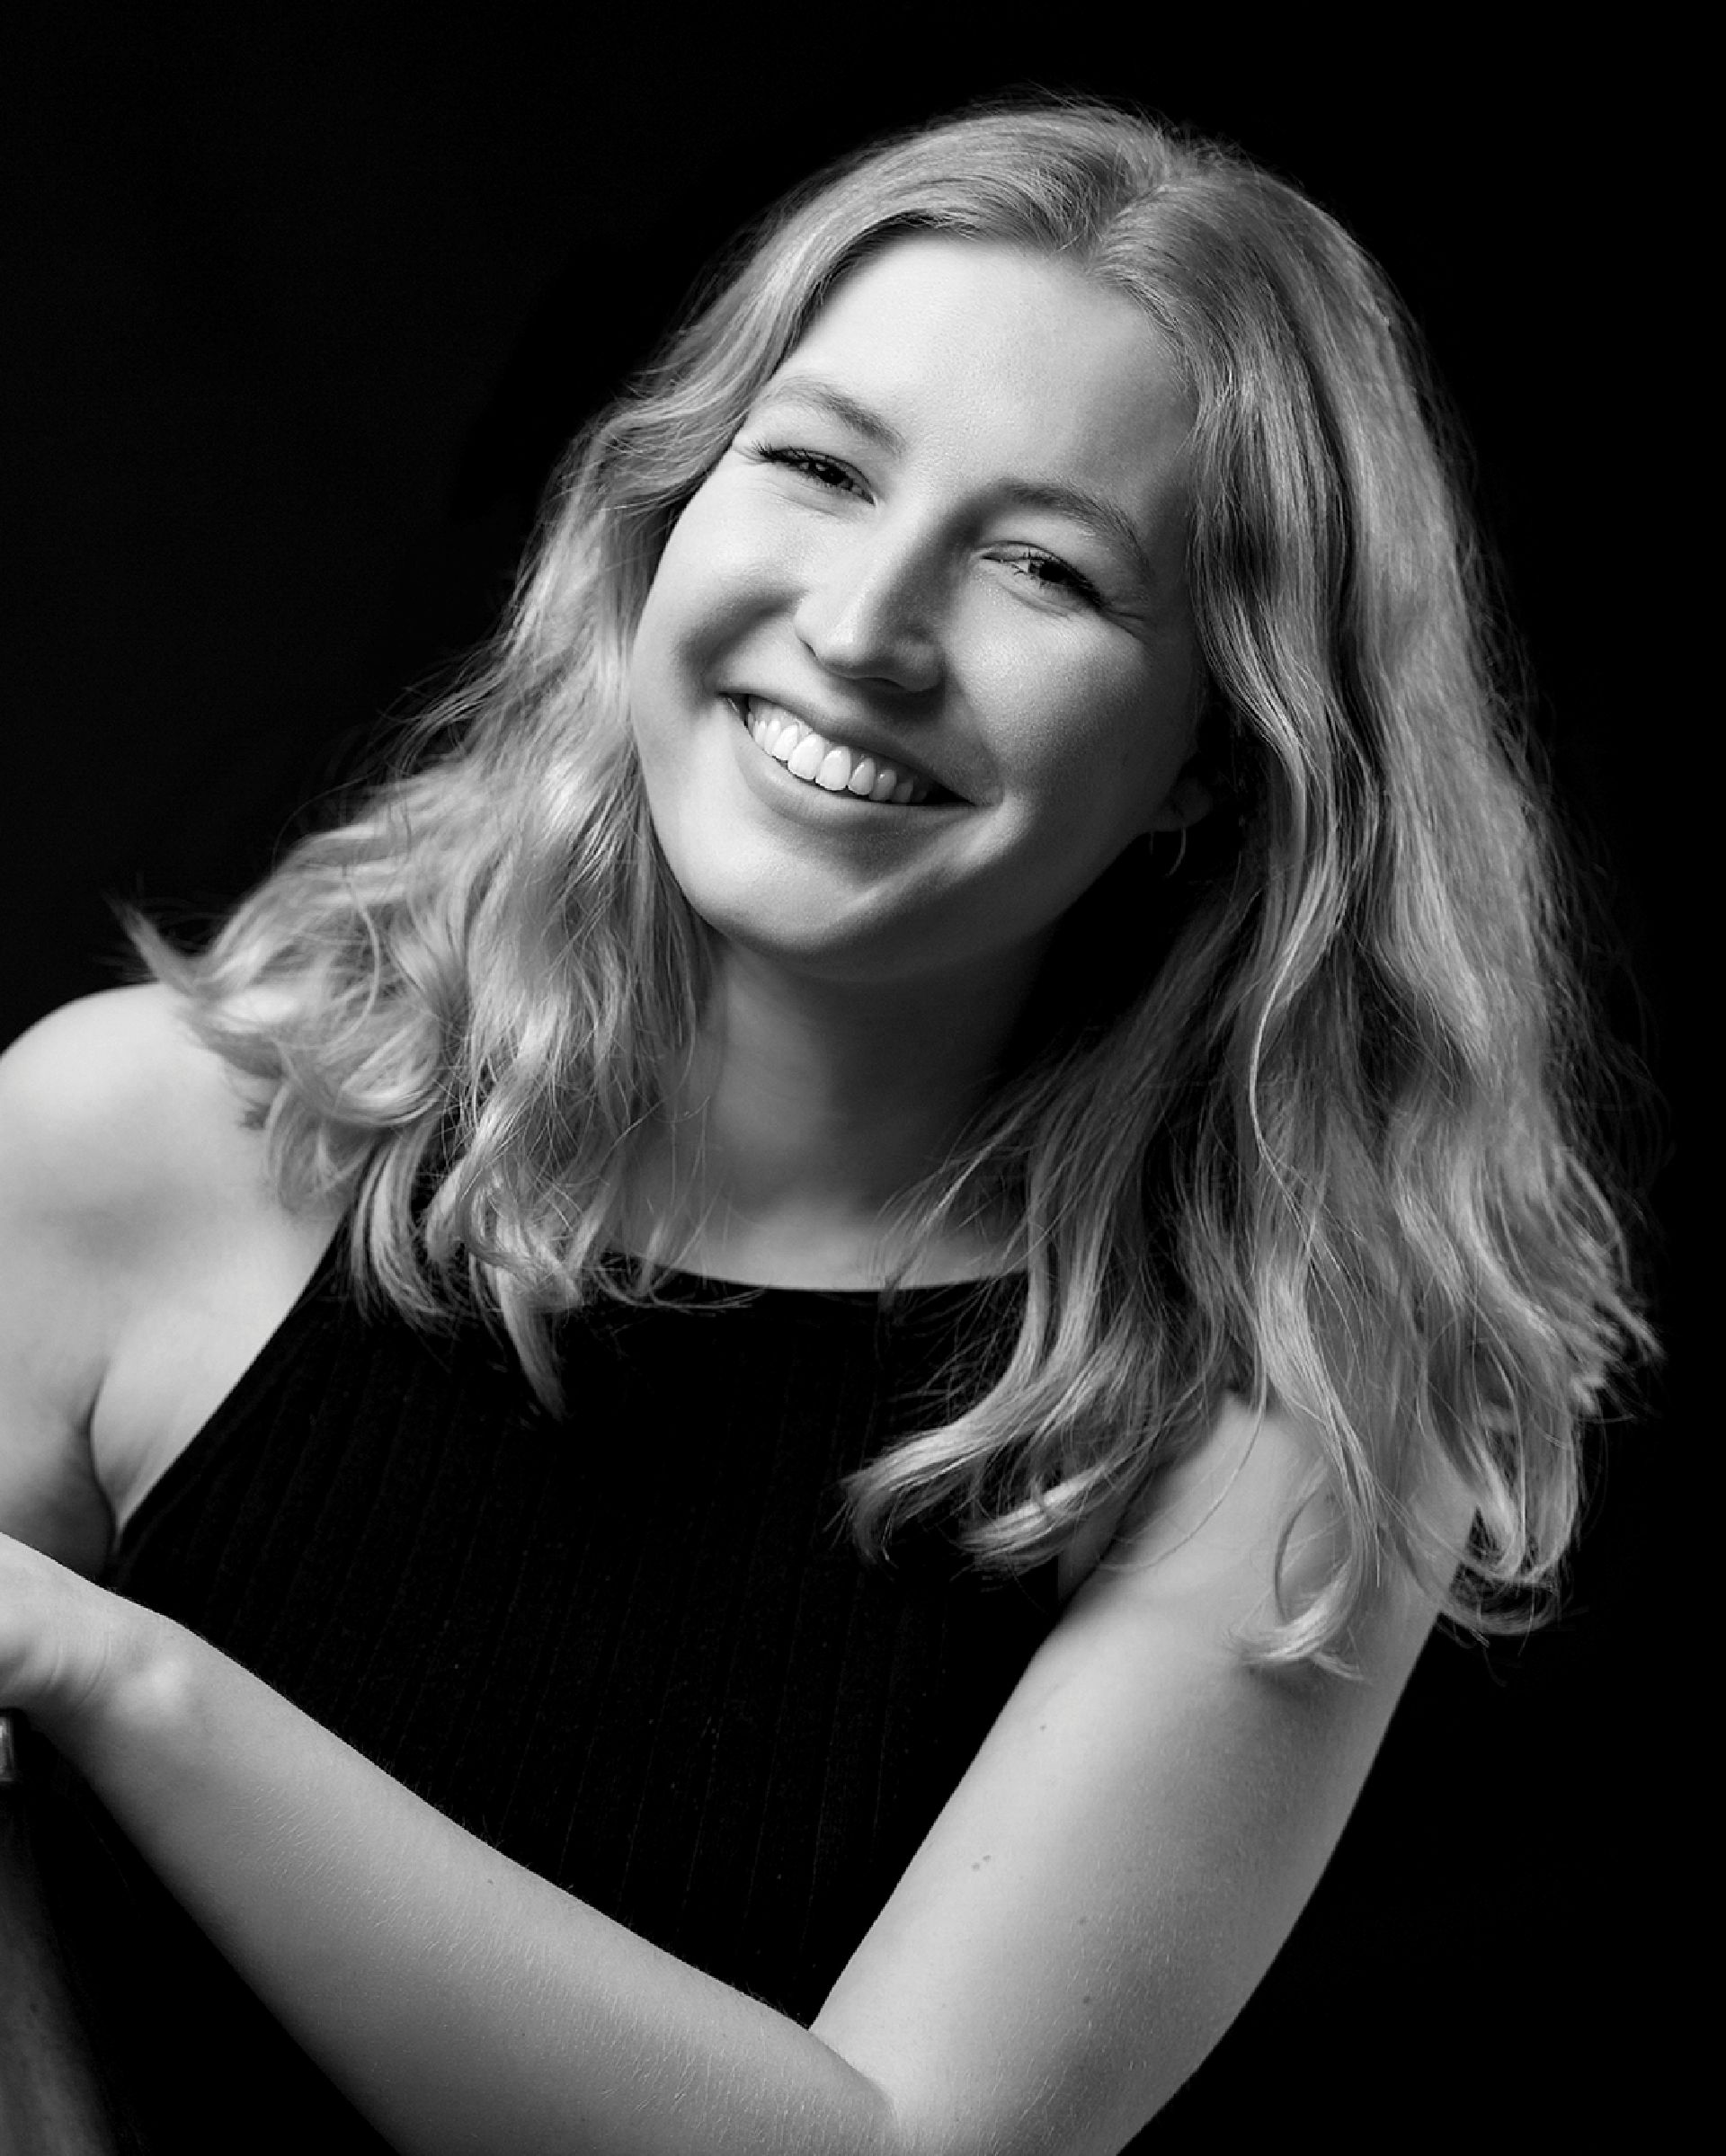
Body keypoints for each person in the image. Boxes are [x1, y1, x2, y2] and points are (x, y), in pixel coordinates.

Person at [0, 95, 1646, 2154]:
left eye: (1046, 567)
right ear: (659, 518)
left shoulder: (1300, 1404)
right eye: (820, 468)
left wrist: (116, 1676)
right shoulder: (120, 1146)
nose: (865, 632)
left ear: (1220, 757)